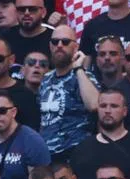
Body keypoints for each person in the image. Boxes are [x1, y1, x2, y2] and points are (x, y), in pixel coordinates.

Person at [38, 25, 99, 164]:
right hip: (47, 157)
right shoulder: (46, 79)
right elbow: (44, 119)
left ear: (75, 47)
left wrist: (78, 68)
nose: (59, 45)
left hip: (76, 154)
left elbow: (95, 105)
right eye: (55, 42)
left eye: (65, 42)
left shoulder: (84, 76)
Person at [69, 89, 130, 179]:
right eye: (103, 106)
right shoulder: (82, 148)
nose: (107, 110)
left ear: (124, 111)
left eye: (114, 106)